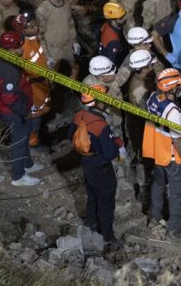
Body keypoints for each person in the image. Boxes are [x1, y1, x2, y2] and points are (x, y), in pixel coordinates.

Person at [68, 84, 126, 246]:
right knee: (106, 202)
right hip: (101, 166)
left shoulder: (79, 115)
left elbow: (70, 136)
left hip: (86, 162)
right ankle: (107, 236)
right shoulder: (101, 124)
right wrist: (118, 146)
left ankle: (91, 224)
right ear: (98, 102)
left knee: (92, 195)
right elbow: (109, 154)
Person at [143, 68, 181, 241]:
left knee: (157, 184)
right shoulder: (172, 112)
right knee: (177, 191)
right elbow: (178, 139)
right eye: (178, 85)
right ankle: (175, 230)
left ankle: (154, 218)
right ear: (173, 88)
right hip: (171, 156)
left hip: (158, 152)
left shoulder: (152, 98)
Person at [0, 31, 44, 186]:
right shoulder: (9, 69)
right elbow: (9, 97)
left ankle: (28, 164)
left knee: (25, 135)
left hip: (17, 107)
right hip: (13, 111)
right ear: (11, 49)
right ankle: (18, 176)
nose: (22, 48)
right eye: (20, 46)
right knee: (19, 141)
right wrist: (23, 111)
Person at [11, 9, 51, 151]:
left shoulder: (35, 41)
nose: (36, 28)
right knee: (34, 116)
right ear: (22, 31)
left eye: (35, 24)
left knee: (41, 112)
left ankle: (38, 135)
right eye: (31, 26)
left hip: (42, 82)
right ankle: (32, 143)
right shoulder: (22, 48)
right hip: (33, 88)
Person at [126, 49, 157, 202]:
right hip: (142, 127)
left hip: (140, 124)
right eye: (150, 65)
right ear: (143, 68)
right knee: (145, 158)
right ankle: (144, 191)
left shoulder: (140, 78)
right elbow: (149, 112)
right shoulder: (140, 89)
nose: (152, 67)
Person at [36, 0, 80, 79]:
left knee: (75, 69)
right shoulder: (42, 10)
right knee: (54, 77)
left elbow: (71, 23)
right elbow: (40, 35)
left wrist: (74, 41)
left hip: (67, 46)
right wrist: (47, 56)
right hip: (52, 49)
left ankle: (71, 91)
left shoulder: (66, 4)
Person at [98, 2, 129, 67]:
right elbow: (114, 62)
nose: (125, 18)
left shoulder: (106, 25)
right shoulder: (113, 40)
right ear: (112, 19)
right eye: (121, 17)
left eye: (124, 15)